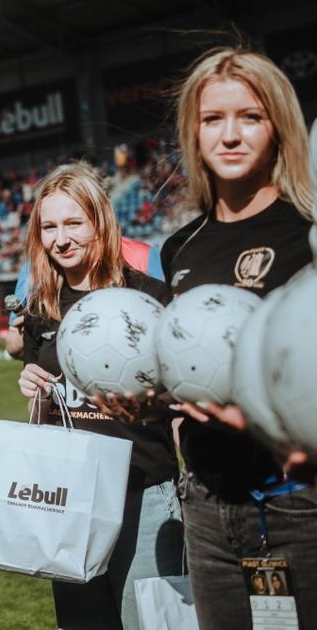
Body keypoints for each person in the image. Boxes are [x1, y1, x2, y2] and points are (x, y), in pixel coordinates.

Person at [159, 47, 315, 630]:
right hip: (205, 506)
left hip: (296, 501)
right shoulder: (181, 248)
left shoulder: (308, 232)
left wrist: (267, 422)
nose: (229, 135)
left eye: (250, 116)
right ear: (193, 133)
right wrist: (151, 403)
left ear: (279, 127)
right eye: (212, 119)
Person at [16, 162, 183, 630]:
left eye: (74, 223)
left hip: (144, 493)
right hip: (70, 500)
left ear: (100, 222)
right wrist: (34, 391)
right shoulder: (39, 310)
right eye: (49, 227)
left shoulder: (152, 298)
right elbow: (46, 416)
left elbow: (180, 402)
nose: (60, 239)